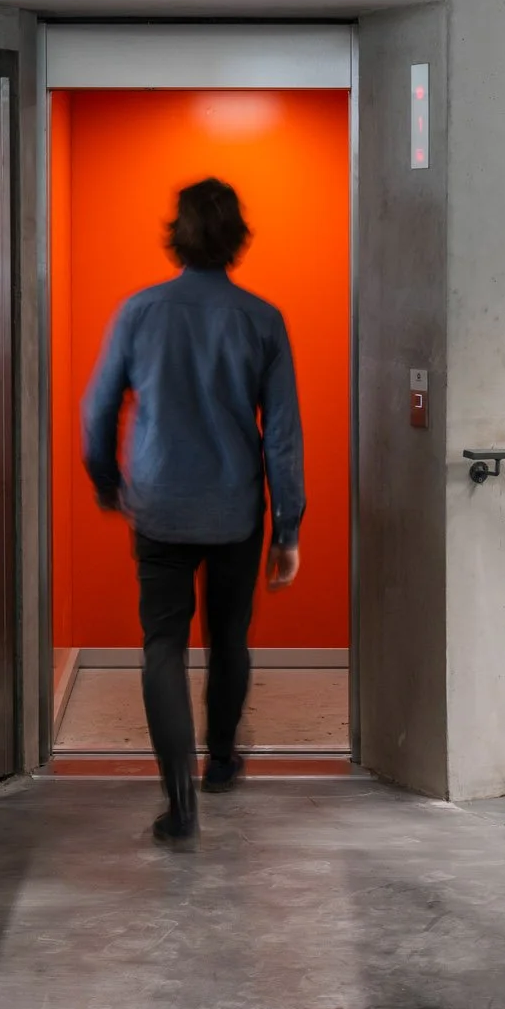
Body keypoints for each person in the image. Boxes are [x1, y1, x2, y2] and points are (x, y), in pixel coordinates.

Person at [81, 176, 304, 845]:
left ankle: (180, 807)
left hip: (158, 506)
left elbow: (96, 412)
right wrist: (287, 526)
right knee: (229, 638)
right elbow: (283, 435)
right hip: (235, 509)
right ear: (236, 239)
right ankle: (222, 761)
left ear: (176, 235)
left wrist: (106, 482)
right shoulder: (261, 319)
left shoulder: (139, 312)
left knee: (163, 647)